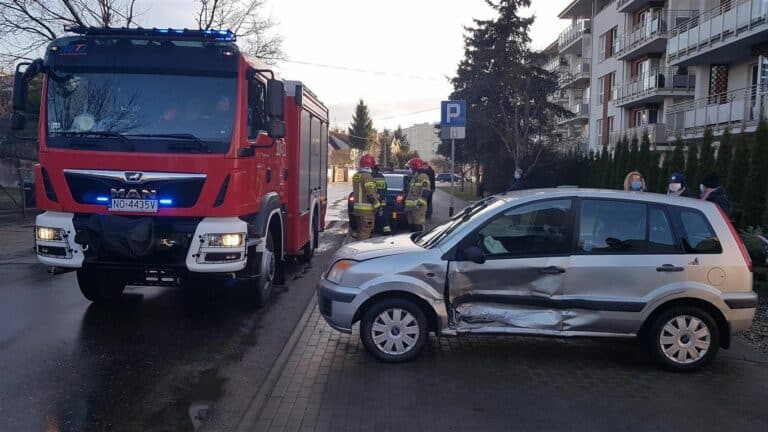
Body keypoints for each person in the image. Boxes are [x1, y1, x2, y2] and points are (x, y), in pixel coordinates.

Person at [351, 154, 382, 240]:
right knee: (365, 232)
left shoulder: (357, 175)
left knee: (360, 231)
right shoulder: (367, 177)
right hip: (367, 211)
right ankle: (361, 248)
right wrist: (377, 206)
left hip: (358, 210)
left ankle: (358, 245)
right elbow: (370, 193)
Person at [404, 158, 432, 232]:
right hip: (411, 208)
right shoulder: (414, 178)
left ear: (415, 167)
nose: (410, 169)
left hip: (418, 208)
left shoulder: (423, 176)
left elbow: (426, 191)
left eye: (410, 167)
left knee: (418, 226)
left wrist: (419, 204)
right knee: (411, 227)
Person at [372, 165, 392, 235]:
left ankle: (379, 230)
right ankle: (386, 231)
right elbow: (384, 189)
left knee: (378, 216)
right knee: (384, 216)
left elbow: (372, 190)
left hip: (376, 201)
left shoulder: (372, 177)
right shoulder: (381, 176)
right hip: (382, 200)